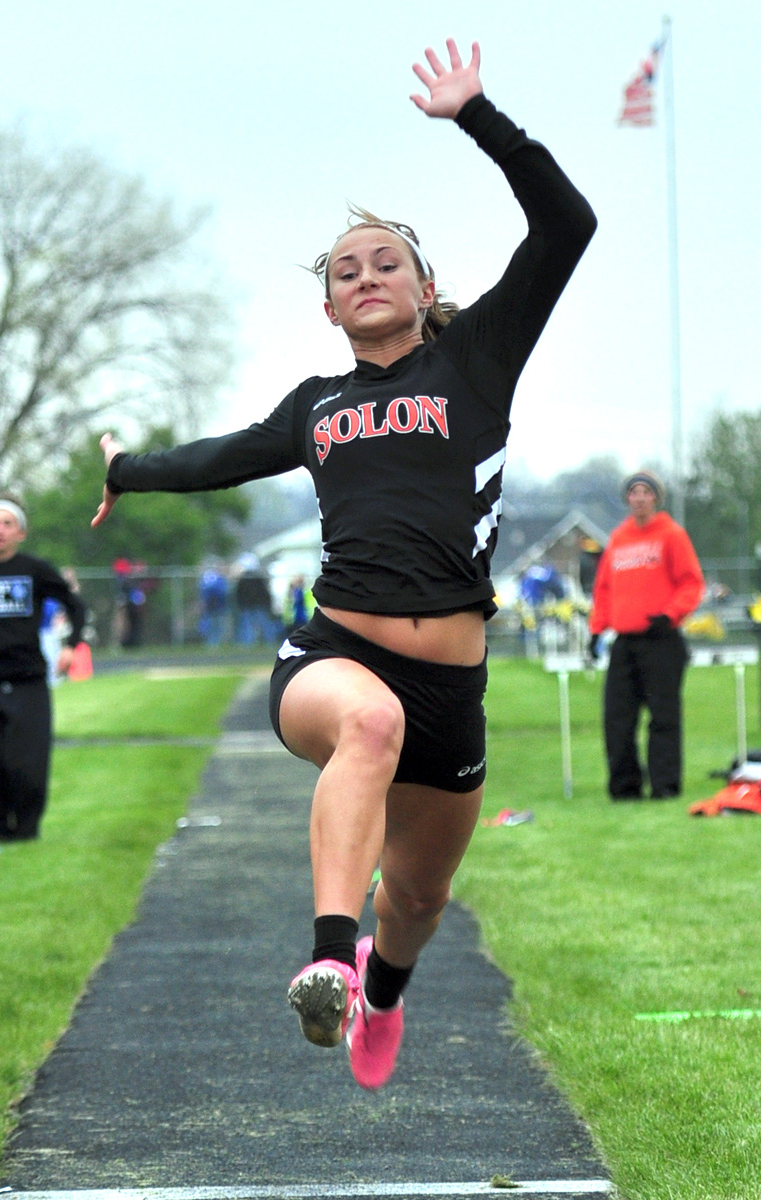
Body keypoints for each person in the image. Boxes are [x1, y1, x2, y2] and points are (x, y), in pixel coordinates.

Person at [91, 39, 596, 1088]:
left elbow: (566, 225)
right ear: (327, 309)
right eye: (343, 271)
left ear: (422, 287)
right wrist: (125, 470)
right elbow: (216, 459)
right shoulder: (315, 405)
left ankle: (378, 989)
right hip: (332, 653)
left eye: (383, 262)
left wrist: (476, 116)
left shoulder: (475, 359)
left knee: (415, 902)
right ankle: (325, 960)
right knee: (367, 723)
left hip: (452, 683)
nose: (363, 274)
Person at [0, 496, 87, 841]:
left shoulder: (34, 570)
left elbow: (74, 605)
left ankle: (26, 831)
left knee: (26, 764)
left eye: (7, 524)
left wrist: (70, 645)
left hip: (28, 681)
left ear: (21, 533)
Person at [588, 471, 704, 800]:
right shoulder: (619, 539)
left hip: (662, 639)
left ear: (656, 498)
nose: (639, 498)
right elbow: (604, 590)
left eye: (646, 492)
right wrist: (596, 630)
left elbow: (691, 583)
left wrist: (669, 615)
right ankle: (625, 788)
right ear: (627, 499)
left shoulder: (671, 535)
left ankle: (665, 787)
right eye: (634, 492)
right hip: (625, 643)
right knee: (617, 718)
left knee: (663, 718)